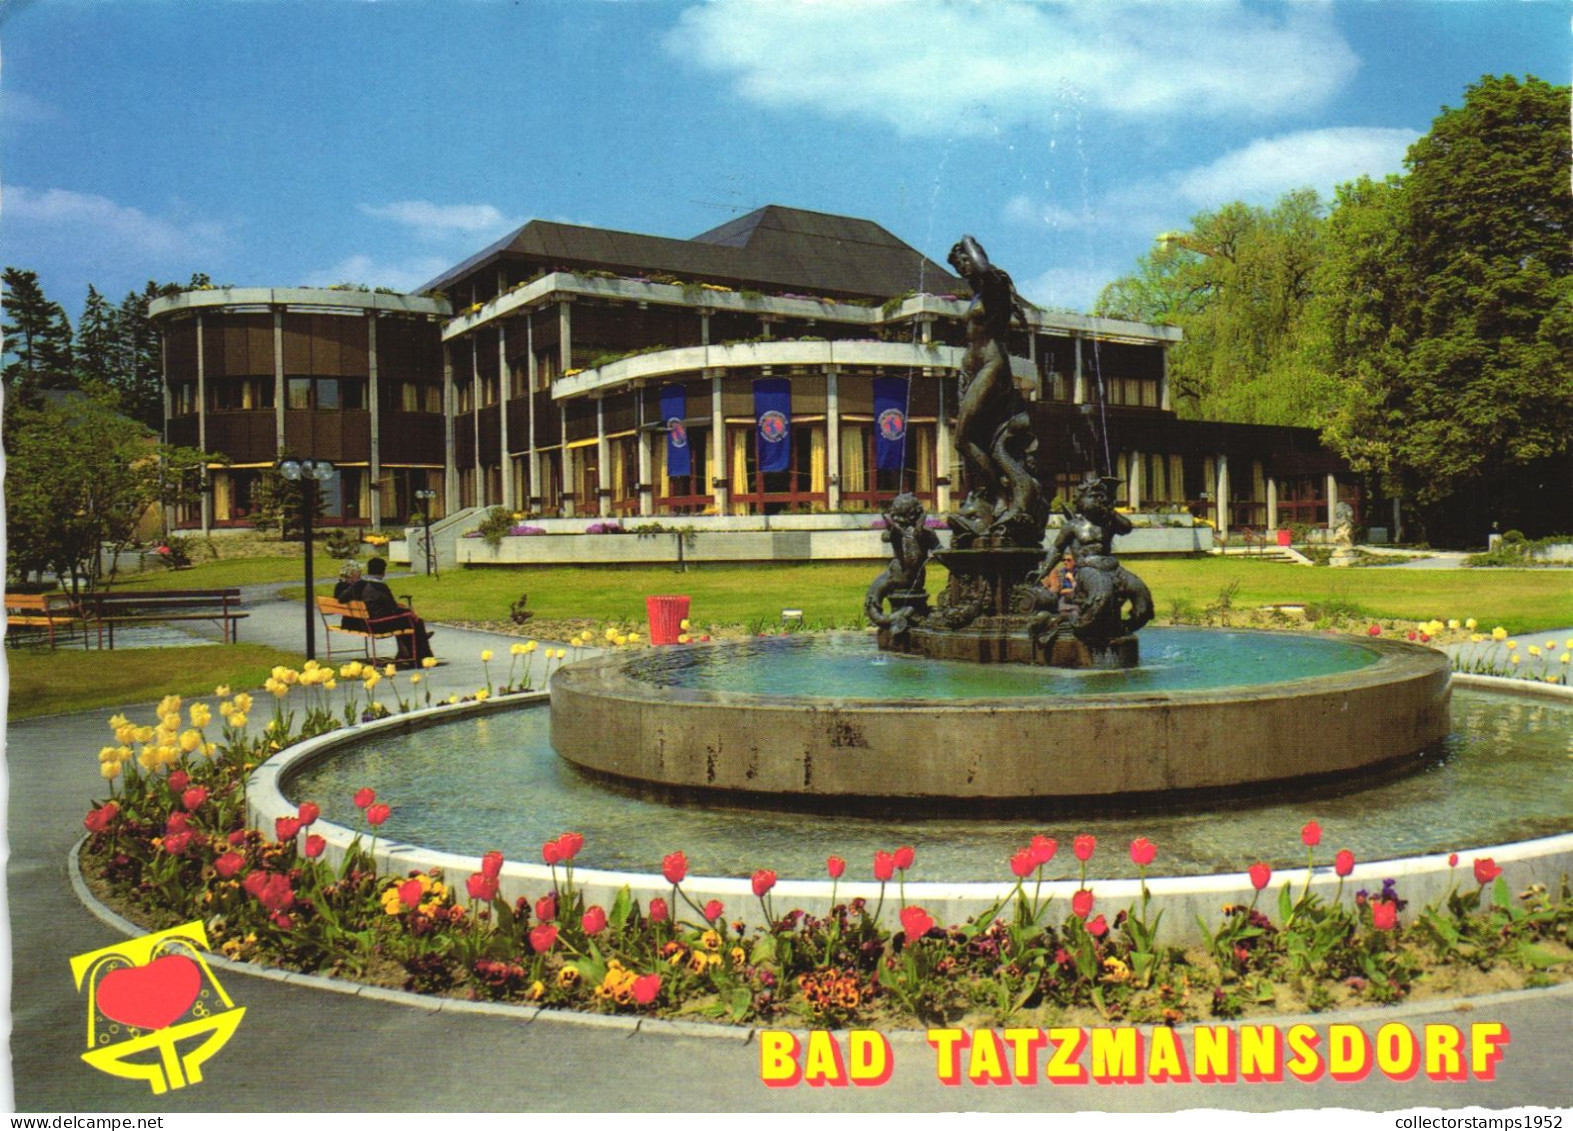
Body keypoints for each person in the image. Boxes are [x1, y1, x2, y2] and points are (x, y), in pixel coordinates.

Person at [352, 557, 434, 666]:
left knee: (407, 621)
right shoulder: (380, 586)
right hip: (378, 624)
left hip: (364, 623)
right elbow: (392, 608)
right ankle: (422, 657)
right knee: (416, 622)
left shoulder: (360, 585)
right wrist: (408, 611)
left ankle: (409, 651)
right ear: (382, 571)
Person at [1044, 551, 1079, 621]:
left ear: (1075, 562)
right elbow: (1058, 590)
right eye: (1064, 560)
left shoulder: (1079, 573)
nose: (1065, 562)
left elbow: (1079, 589)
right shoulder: (1060, 573)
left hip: (1077, 600)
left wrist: (1071, 579)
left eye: (1069, 560)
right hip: (1063, 600)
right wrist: (1071, 590)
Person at [334, 561, 366, 631]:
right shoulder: (355, 588)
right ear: (350, 574)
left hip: (346, 623)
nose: (360, 574)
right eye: (358, 572)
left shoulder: (339, 586)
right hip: (360, 625)